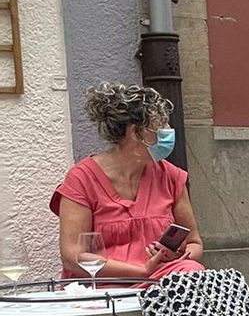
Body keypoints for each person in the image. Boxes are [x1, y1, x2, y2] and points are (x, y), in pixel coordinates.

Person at [51, 82, 204, 281]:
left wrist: (178, 255)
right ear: (135, 132)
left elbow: (194, 242)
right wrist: (141, 272)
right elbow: (72, 257)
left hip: (164, 281)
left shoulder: (171, 176)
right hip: (105, 284)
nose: (168, 131)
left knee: (192, 271)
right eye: (159, 125)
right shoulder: (82, 179)